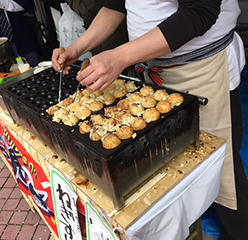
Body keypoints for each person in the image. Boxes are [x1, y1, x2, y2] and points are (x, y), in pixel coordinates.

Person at [51, 0, 248, 239]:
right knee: (166, 166)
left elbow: (199, 12)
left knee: (222, 168)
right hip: (154, 72)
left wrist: (120, 57)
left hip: (200, 70)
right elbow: (117, 4)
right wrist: (77, 48)